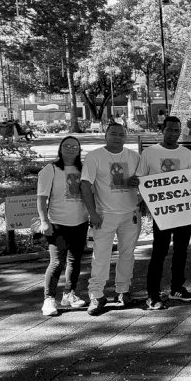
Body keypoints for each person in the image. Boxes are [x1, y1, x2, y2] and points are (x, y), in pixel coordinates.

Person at [80, 123, 141, 316]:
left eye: (121, 134)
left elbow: (145, 180)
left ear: (126, 137)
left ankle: (123, 291)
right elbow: (84, 185)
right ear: (105, 135)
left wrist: (137, 182)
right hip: (104, 216)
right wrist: (93, 213)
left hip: (130, 214)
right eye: (113, 133)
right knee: (101, 256)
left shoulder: (134, 157)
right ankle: (96, 295)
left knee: (127, 254)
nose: (117, 137)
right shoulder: (94, 156)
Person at [136, 116, 191, 310]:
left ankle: (177, 288)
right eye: (169, 130)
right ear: (162, 130)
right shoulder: (149, 153)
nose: (173, 133)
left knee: (181, 251)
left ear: (180, 132)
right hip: (161, 212)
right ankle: (153, 294)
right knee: (159, 252)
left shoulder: (187, 153)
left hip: (183, 211)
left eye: (176, 130)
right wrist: (144, 200)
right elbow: (141, 178)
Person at [38, 136, 89, 316]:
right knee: (57, 262)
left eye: (74, 146)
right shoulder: (50, 170)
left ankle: (69, 294)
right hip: (58, 223)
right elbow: (42, 198)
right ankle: (49, 299)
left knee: (74, 260)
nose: (70, 149)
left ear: (79, 150)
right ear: (60, 149)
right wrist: (44, 221)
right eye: (66, 146)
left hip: (80, 222)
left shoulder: (83, 169)